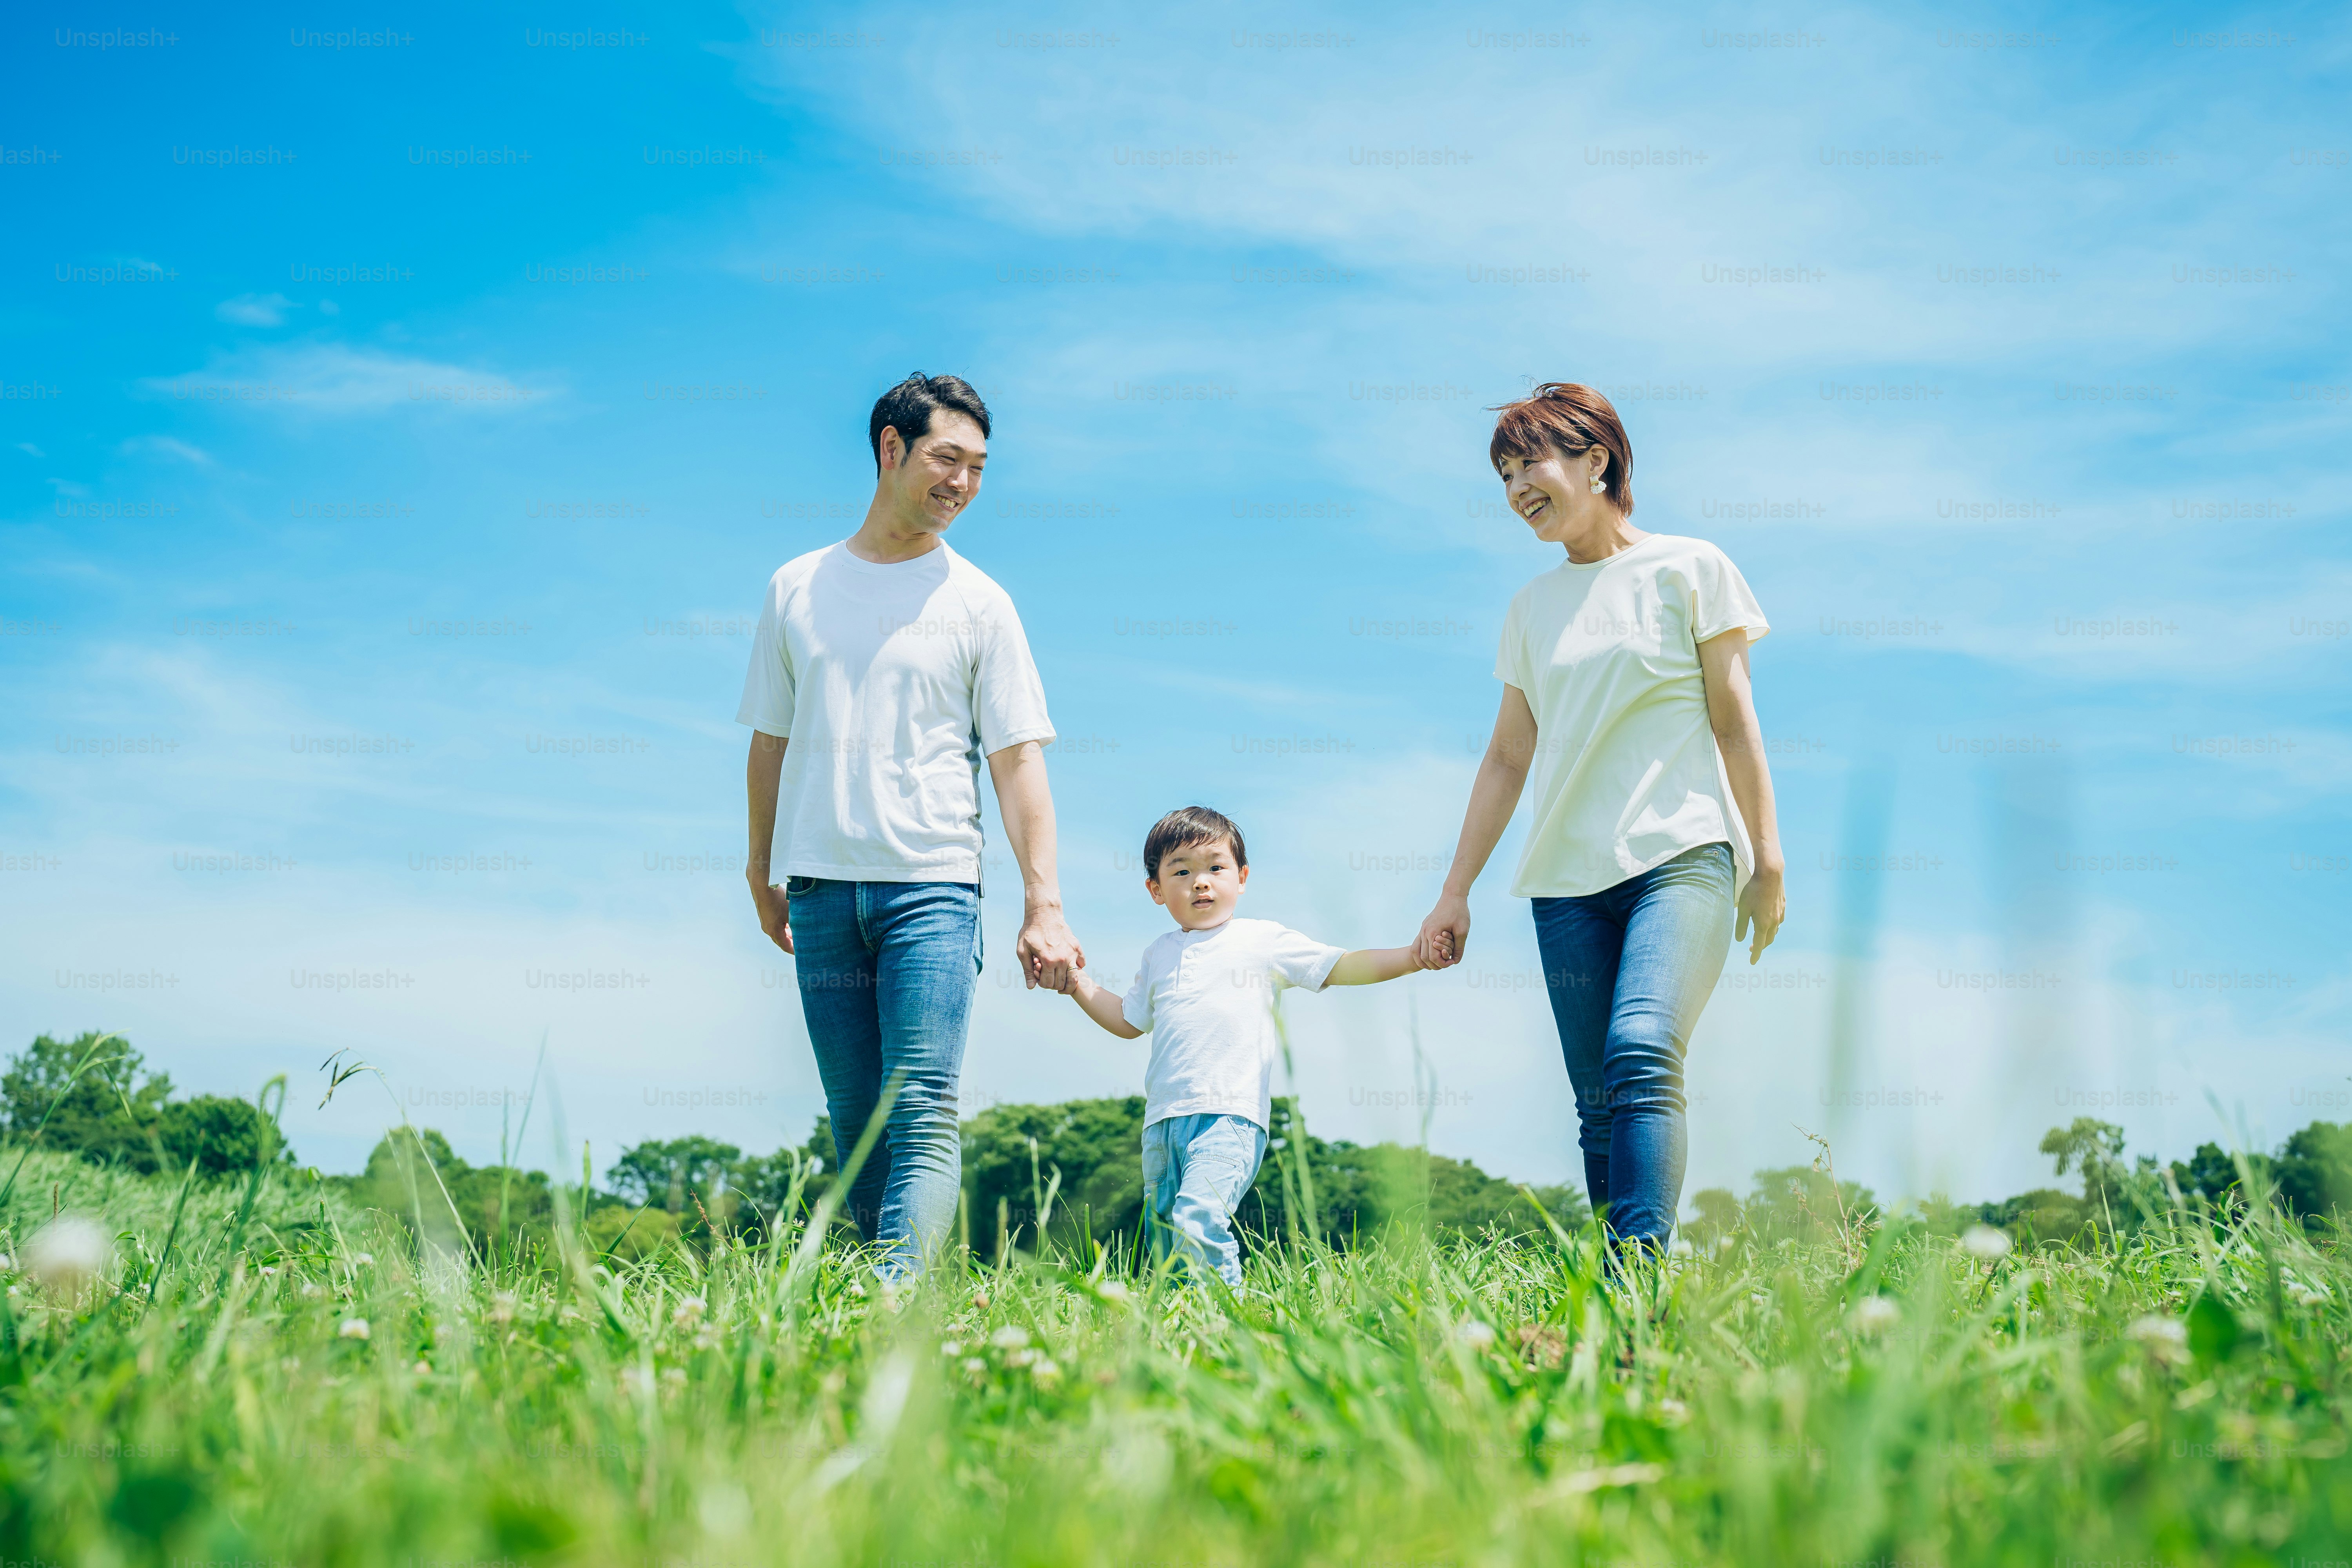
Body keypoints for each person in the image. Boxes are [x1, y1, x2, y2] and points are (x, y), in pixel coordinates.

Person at [1414, 383, 1786, 1260]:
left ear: (1597, 460)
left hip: (1681, 855)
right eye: (1504, 475)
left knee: (1642, 1049)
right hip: (1565, 882)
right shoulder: (1531, 608)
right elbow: (1507, 758)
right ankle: (1618, 1301)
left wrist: (1767, 858)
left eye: (1530, 463)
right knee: (1597, 1102)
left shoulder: (1692, 567)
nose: (1517, 488)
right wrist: (1454, 892)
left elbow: (1735, 721)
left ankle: (1639, 1279)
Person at [739, 371, 1082, 1280]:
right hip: (820, 888)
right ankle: (873, 1303)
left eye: (978, 467)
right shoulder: (796, 587)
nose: (963, 482)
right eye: (946, 458)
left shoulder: (980, 602)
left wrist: (1044, 904)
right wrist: (760, 866)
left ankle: (901, 1300)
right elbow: (770, 739)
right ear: (891, 449)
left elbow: (1018, 759)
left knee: (922, 1104)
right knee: (857, 1123)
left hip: (933, 885)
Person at [1058, 806, 1439, 1287]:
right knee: (1165, 1235)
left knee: (1198, 1217)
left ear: (1241, 878)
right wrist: (1076, 983)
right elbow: (1128, 1021)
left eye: (1215, 867)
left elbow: (1339, 966)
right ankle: (1178, 1322)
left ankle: (1225, 1313)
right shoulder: (1158, 954)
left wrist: (1412, 957)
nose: (1201, 882)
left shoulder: (1262, 940)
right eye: (1182, 871)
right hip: (1162, 1123)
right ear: (1156, 889)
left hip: (1229, 1117)